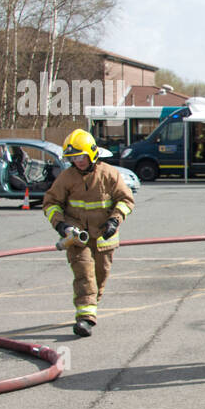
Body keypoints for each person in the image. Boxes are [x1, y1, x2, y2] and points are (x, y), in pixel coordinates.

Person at [42, 130, 135, 338]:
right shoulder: (67, 178)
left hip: (104, 237)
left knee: (100, 276)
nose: (78, 161)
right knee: (84, 275)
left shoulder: (109, 174)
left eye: (81, 156)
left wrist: (115, 220)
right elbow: (50, 203)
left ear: (92, 154)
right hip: (76, 237)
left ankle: (90, 307)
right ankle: (85, 319)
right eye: (73, 158)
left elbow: (126, 200)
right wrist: (60, 225)